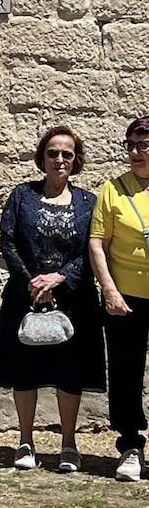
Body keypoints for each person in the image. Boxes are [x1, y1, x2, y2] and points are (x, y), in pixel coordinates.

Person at [0, 127, 104, 474]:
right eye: (53, 153)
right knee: (24, 370)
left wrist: (60, 277)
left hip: (73, 299)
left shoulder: (89, 202)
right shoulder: (21, 196)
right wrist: (32, 280)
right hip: (24, 296)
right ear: (42, 157)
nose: (60, 160)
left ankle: (69, 443)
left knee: (69, 373)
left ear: (76, 161)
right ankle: (25, 440)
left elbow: (94, 247)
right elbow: (8, 240)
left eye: (67, 154)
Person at [89, 116, 149, 482]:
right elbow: (97, 242)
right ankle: (130, 446)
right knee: (126, 372)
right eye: (131, 144)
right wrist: (108, 289)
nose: (135, 152)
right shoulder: (113, 190)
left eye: (143, 144)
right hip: (125, 296)